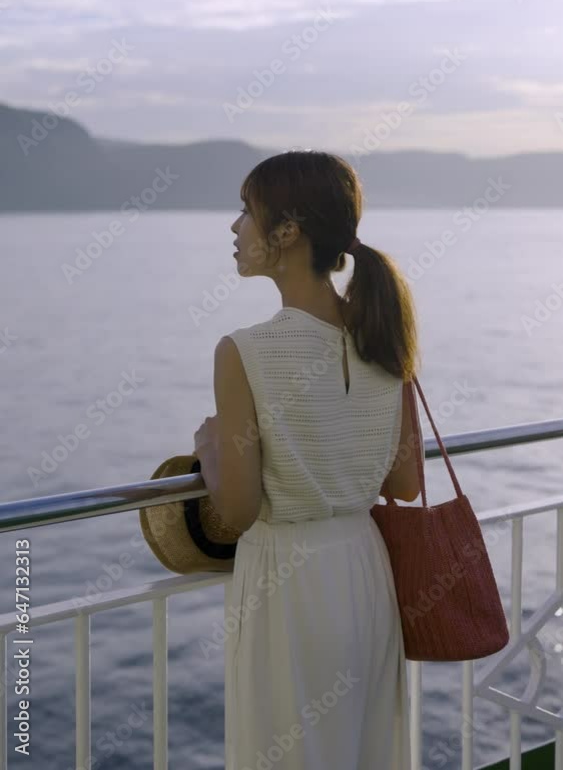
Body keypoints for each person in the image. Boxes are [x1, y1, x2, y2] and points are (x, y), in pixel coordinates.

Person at [194, 149, 423, 770]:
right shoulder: (383, 333)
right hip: (365, 571)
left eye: (247, 211)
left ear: (287, 232)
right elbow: (405, 482)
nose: (235, 227)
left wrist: (211, 453)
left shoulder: (243, 350)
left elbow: (238, 511)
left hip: (288, 582)